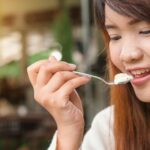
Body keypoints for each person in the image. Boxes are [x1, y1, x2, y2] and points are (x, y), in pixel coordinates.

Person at [27, 0, 150, 149]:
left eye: (146, 31)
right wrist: (68, 133)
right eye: (115, 37)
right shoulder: (109, 130)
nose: (126, 54)